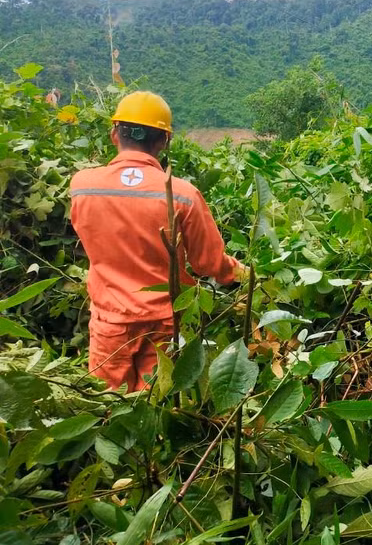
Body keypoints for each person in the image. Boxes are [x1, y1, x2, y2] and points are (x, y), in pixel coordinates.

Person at [70, 91, 244, 391]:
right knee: (157, 406)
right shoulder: (182, 195)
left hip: (109, 323)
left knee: (107, 407)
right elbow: (208, 264)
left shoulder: (82, 186)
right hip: (165, 324)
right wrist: (244, 274)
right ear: (164, 140)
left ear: (115, 134)